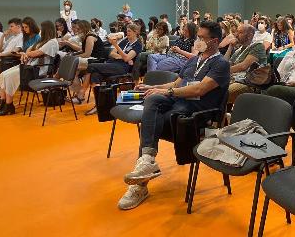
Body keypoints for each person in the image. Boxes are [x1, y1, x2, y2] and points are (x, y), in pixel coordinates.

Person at [118, 21, 230, 210]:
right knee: (152, 101)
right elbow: (176, 85)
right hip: (180, 102)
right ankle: (147, 160)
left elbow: (201, 89)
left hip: (198, 111)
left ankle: (140, 183)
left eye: (202, 38)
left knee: (154, 121)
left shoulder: (221, 64)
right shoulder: (194, 60)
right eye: (198, 37)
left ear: (214, 41)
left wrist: (167, 93)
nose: (198, 41)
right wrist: (153, 88)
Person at [0, 21, 59, 116]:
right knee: (4, 74)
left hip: (37, 69)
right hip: (30, 66)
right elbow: (29, 49)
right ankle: (3, 102)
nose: (40, 30)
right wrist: (26, 53)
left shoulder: (52, 42)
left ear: (46, 30)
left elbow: (36, 53)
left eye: (42, 29)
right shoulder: (43, 41)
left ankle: (9, 104)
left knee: (8, 77)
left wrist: (25, 54)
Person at [224, 24, 267, 104]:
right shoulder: (239, 50)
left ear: (250, 35)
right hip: (234, 79)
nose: (236, 35)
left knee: (224, 92)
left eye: (240, 32)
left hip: (249, 83)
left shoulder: (258, 46)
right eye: (237, 31)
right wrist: (230, 47)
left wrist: (223, 71)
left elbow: (243, 66)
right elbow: (224, 64)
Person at [69, 20, 106, 103]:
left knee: (72, 67)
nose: (77, 31)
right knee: (73, 68)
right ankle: (79, 94)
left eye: (79, 29)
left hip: (97, 59)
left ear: (84, 28)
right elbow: (83, 51)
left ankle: (80, 94)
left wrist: (74, 56)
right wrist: (74, 55)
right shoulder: (85, 36)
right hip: (91, 58)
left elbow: (87, 54)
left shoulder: (90, 36)